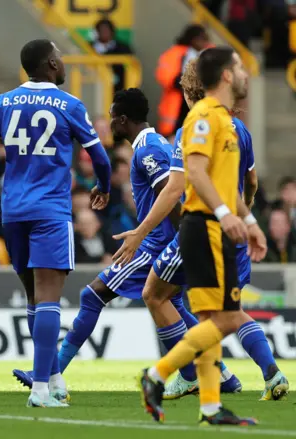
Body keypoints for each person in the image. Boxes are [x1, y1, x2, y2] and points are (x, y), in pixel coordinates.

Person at [0, 39, 112, 408]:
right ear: (50, 64)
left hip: (13, 212)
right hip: (50, 210)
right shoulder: (70, 105)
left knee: (33, 298)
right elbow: (101, 158)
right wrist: (104, 187)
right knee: (49, 298)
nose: (63, 62)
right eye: (60, 58)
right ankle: (41, 391)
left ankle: (52, 377)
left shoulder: (3, 102)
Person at [114, 58, 287, 402]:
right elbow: (249, 184)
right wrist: (247, 217)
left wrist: (141, 231)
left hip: (201, 229)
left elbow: (177, 187)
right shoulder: (239, 128)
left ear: (188, 88)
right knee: (227, 314)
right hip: (233, 233)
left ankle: (174, 374)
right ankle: (267, 374)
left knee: (156, 294)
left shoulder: (192, 126)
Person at [9, 88, 199, 394]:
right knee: (174, 304)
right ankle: (221, 374)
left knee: (93, 295)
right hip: (165, 241)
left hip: (156, 244)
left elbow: (172, 195)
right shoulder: (154, 145)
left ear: (123, 120)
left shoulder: (148, 151)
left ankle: (50, 370)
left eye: (112, 119)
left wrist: (175, 243)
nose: (110, 125)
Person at [139, 47, 268, 426]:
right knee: (228, 318)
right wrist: (228, 215)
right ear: (226, 75)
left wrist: (251, 221)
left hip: (220, 225)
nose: (246, 73)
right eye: (240, 67)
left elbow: (229, 186)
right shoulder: (200, 117)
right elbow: (194, 174)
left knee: (212, 318)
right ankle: (157, 374)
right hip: (204, 227)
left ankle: (210, 406)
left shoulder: (227, 123)